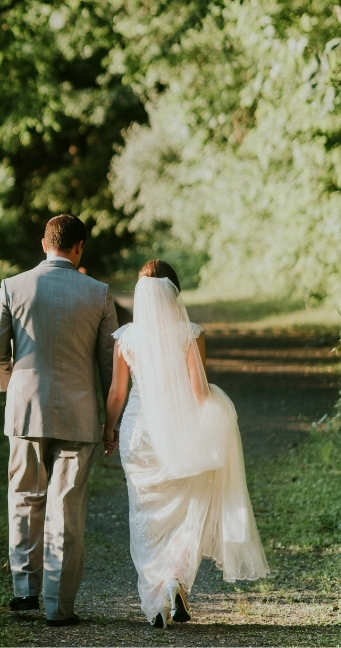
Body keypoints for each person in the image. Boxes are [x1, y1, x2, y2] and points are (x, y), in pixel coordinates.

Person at [103, 260, 269, 627]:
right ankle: (175, 581)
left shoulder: (126, 338)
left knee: (145, 516)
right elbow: (199, 393)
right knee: (186, 511)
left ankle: (157, 598)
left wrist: (108, 431)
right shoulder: (189, 334)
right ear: (175, 293)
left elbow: (116, 393)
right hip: (178, 433)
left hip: (138, 435)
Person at [0, 214, 118, 626]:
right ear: (79, 248)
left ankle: (25, 593)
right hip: (80, 413)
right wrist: (111, 421)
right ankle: (59, 606)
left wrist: (12, 387)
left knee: (25, 498)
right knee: (66, 507)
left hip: (25, 410)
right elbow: (110, 366)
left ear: (44, 244)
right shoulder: (99, 293)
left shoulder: (12, 287)